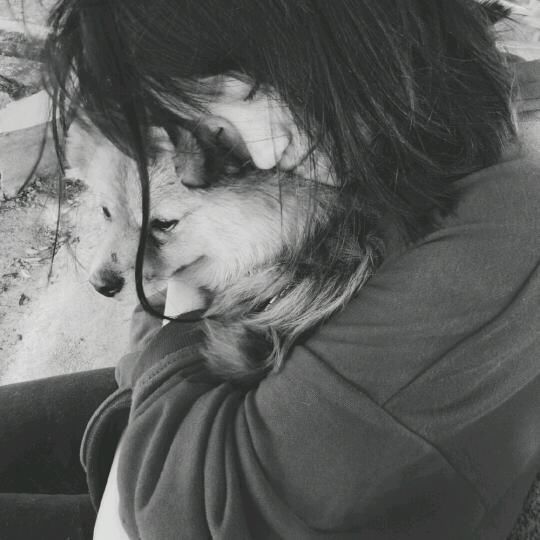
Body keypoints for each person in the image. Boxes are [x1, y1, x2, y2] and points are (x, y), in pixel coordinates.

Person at [1, 0, 539, 538]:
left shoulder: (479, 258)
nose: (257, 157)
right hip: (203, 421)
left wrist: (175, 323)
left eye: (227, 102)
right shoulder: (381, 145)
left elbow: (181, 518)